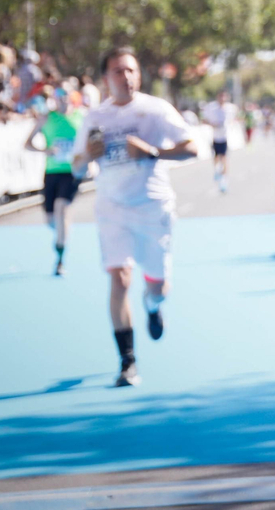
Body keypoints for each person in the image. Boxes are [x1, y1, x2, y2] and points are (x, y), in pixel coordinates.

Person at [73, 47, 197, 388]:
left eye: (130, 70)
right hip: (112, 209)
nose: (125, 77)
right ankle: (127, 361)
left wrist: (153, 152)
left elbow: (192, 147)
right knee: (120, 279)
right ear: (105, 78)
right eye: (117, 71)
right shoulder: (95, 117)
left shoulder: (155, 110)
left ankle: (153, 306)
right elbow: (75, 165)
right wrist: (87, 155)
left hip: (152, 207)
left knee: (156, 285)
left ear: (138, 76)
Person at [30, 100, 85, 276]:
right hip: (52, 171)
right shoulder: (47, 118)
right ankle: (63, 230)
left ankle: (60, 259)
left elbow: (91, 141)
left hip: (72, 173)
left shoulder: (81, 117)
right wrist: (45, 150)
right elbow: (27, 143)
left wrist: (87, 160)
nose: (63, 100)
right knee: (51, 220)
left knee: (61, 208)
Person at [202, 94, 240, 194]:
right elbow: (204, 120)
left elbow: (236, 116)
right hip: (215, 137)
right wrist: (212, 124)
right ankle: (217, 171)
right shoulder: (212, 108)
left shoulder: (230, 108)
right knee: (216, 157)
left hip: (224, 137)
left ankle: (224, 179)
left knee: (224, 158)